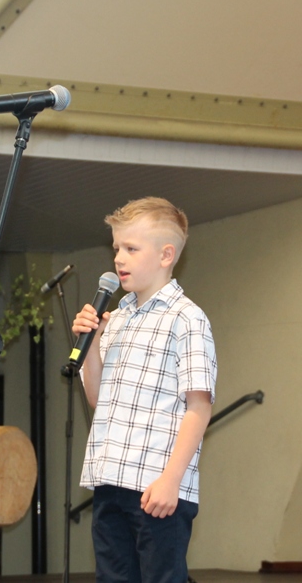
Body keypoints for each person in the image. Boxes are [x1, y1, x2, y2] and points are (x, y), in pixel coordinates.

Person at [71, 197, 217, 583]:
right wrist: (91, 344)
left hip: (157, 485)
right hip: (110, 478)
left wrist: (171, 480)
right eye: (117, 248)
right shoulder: (117, 318)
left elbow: (199, 407)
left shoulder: (187, 318)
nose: (119, 258)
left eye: (131, 249)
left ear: (166, 255)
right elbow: (98, 400)